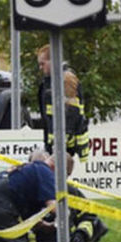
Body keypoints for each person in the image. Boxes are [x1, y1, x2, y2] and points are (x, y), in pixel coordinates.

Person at [35, 45, 89, 175]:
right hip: (56, 141)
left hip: (65, 144)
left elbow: (71, 113)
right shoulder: (51, 80)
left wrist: (61, 141)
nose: (40, 68)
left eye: (43, 63)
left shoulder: (66, 79)